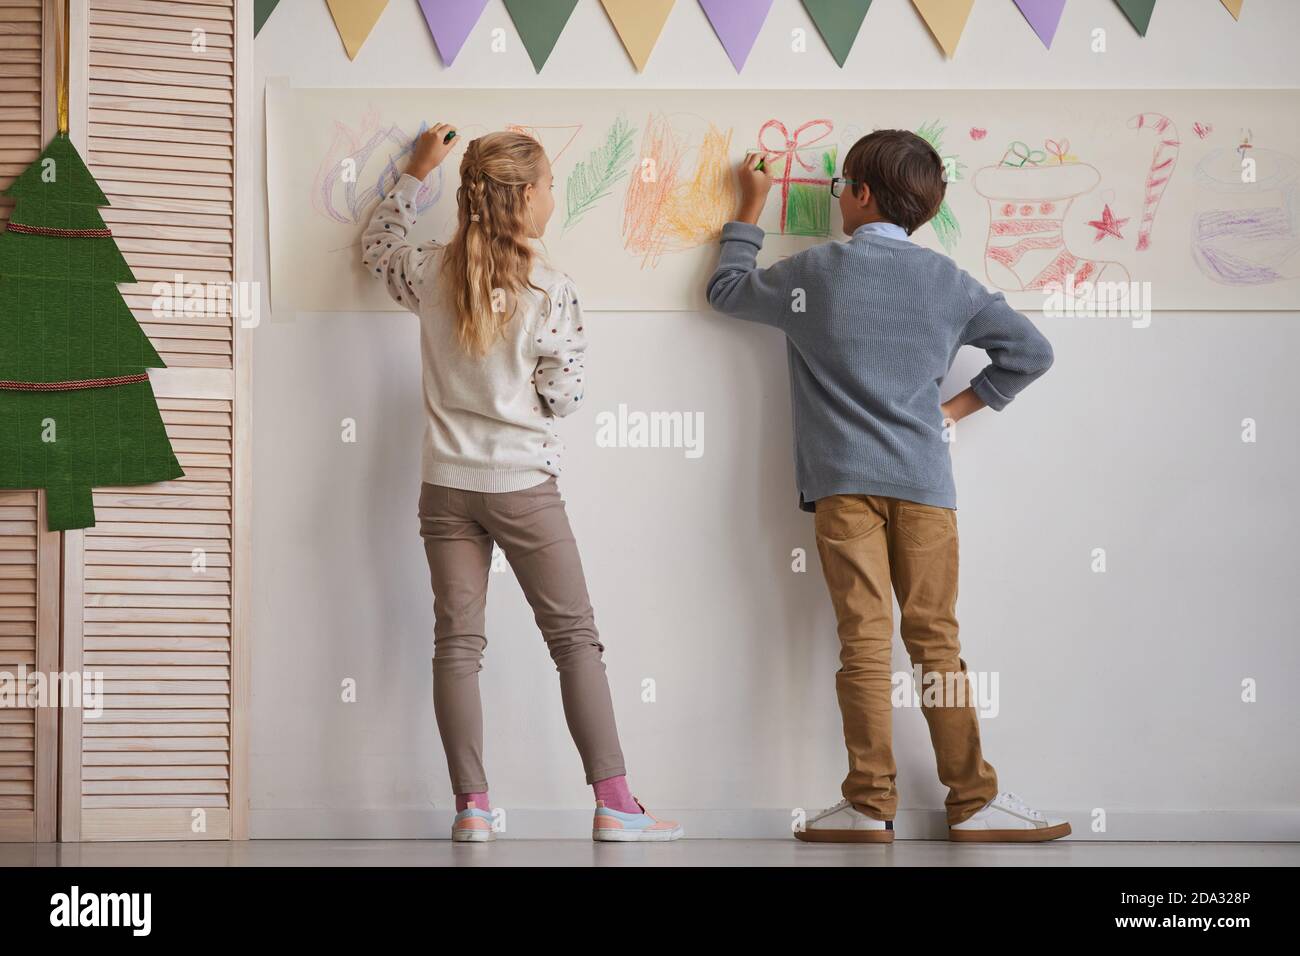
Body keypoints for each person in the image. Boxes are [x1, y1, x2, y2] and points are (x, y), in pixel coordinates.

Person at [706, 130, 1069, 844]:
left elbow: (724, 292)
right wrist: (954, 410)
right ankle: (972, 800)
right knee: (936, 640)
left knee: (864, 642)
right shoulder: (949, 282)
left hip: (844, 487)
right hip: (926, 485)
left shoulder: (813, 274)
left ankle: (870, 803)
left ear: (862, 195)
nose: (836, 193)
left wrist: (749, 206)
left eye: (841, 183)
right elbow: (1032, 352)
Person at [362, 124, 681, 844]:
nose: (553, 198)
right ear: (528, 195)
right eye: (549, 187)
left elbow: (378, 249)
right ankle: (615, 803)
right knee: (574, 640)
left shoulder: (431, 271)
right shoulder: (551, 287)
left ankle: (472, 809)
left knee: (457, 644)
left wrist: (414, 173)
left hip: (443, 484)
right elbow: (562, 396)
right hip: (522, 485)